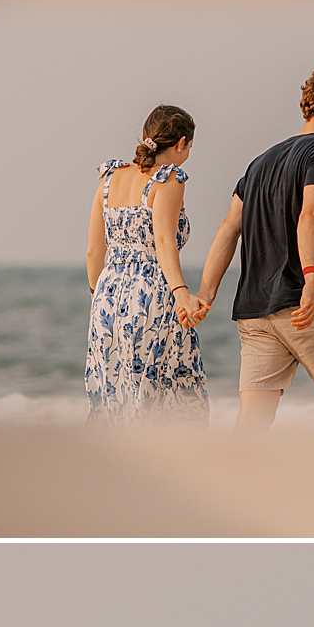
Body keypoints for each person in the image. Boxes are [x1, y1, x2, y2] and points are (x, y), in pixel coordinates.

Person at [197, 66, 314, 434]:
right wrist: (310, 278)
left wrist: (206, 294)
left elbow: (229, 228)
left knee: (251, 426)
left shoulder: (259, 162)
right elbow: (311, 214)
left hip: (255, 312)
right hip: (304, 305)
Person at [83, 104, 211, 424]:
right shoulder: (168, 179)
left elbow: (93, 251)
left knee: (115, 393)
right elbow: (164, 241)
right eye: (190, 147)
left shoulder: (109, 179)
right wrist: (181, 291)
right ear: (181, 143)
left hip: (106, 297)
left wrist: (98, 296)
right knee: (161, 391)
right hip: (150, 295)